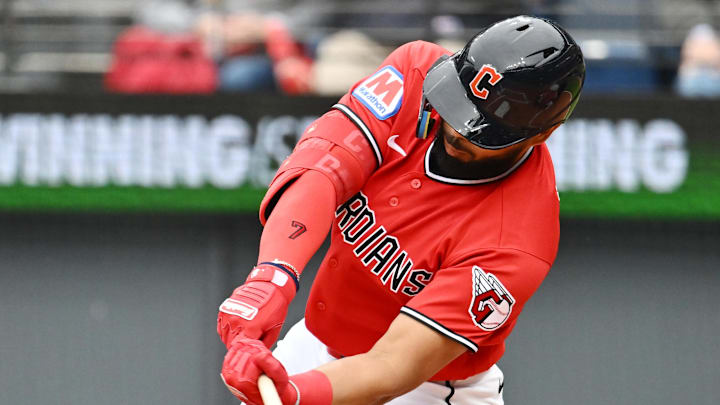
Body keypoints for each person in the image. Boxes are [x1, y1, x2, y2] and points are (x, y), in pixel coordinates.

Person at [217, 15, 585, 405]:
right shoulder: (414, 71)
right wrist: (271, 278)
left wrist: (293, 395)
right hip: (316, 342)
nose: (456, 129)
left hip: (427, 389)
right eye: (455, 105)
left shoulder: (517, 238)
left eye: (481, 128)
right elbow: (321, 171)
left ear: (543, 132)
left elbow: (392, 367)